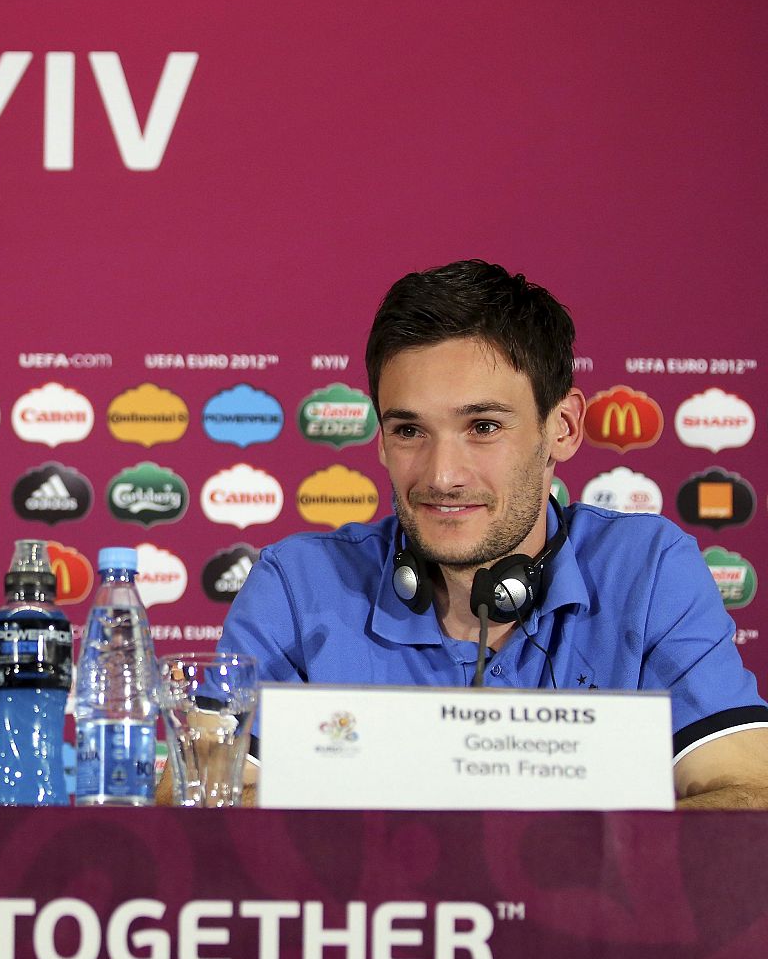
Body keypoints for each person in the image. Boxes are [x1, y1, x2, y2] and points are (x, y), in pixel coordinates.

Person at [221, 259, 768, 808]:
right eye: (409, 430)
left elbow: (747, 794)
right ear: (382, 440)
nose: (442, 476)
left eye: (483, 427)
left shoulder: (647, 571)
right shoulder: (296, 584)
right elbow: (197, 796)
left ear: (564, 428)